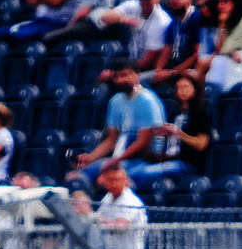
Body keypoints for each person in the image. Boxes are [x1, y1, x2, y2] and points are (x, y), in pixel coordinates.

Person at [69, 59, 170, 187]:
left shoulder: (147, 101)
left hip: (145, 158)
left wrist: (116, 160)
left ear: (136, 74)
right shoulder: (115, 101)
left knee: (113, 178)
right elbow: (112, 139)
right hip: (121, 157)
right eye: (117, 77)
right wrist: (90, 158)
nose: (121, 80)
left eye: (125, 75)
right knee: (75, 177)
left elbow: (143, 142)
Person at [94, 0, 173, 75]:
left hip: (148, 70)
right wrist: (125, 19)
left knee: (109, 77)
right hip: (133, 61)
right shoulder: (134, 5)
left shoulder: (162, 21)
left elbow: (146, 62)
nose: (144, 1)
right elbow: (106, 17)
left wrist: (116, 74)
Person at [154, 73, 212, 177]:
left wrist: (178, 133)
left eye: (185, 86)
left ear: (195, 89)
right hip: (170, 160)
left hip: (188, 164)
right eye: (178, 87)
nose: (181, 90)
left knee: (144, 173)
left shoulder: (200, 114)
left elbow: (201, 144)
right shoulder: (174, 113)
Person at [148, 0, 202, 88]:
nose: (172, 0)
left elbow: (197, 54)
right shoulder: (173, 23)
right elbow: (166, 52)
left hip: (188, 72)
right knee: (141, 80)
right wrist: (158, 71)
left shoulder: (196, 19)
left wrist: (172, 72)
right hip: (172, 71)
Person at [94, 162, 148, 249]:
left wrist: (97, 219)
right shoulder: (107, 198)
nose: (115, 184)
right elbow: (98, 217)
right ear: (105, 180)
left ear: (126, 181)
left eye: (119, 180)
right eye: (111, 180)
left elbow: (120, 227)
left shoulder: (131, 200)